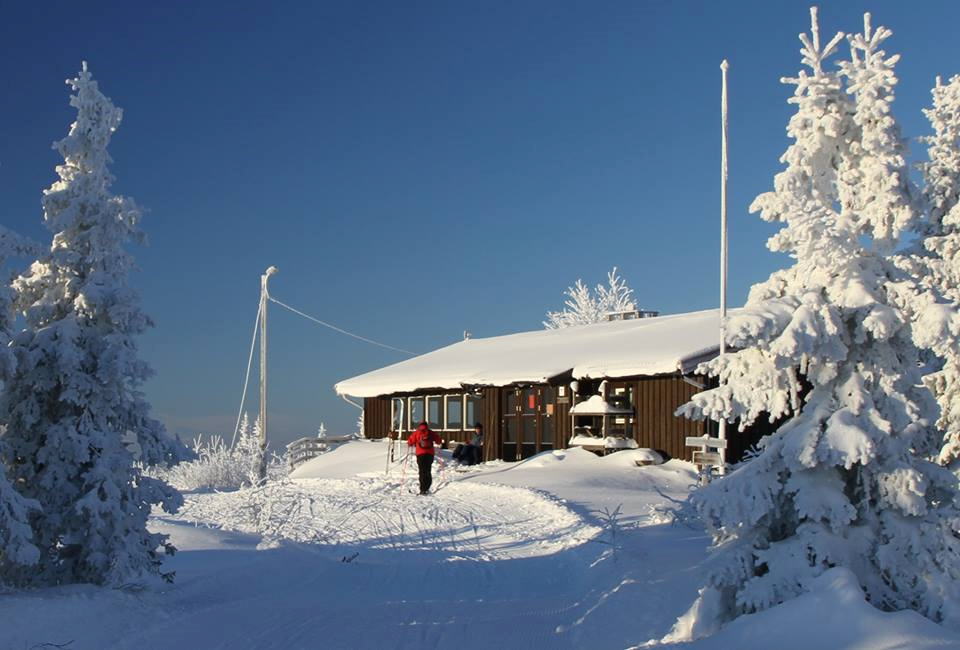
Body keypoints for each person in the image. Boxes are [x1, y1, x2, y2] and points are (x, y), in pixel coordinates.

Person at [407, 421, 442, 495]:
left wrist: (410, 443)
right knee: (427, 470)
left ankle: (423, 489)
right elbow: (439, 441)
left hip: (420, 454)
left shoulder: (416, 432)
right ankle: (427, 487)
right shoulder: (431, 432)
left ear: (419, 426)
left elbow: (410, 442)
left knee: (422, 471)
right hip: (429, 454)